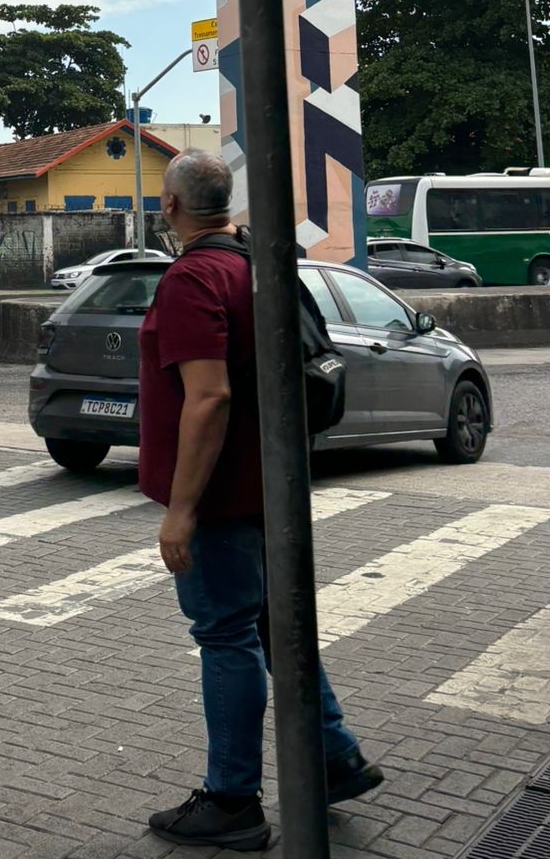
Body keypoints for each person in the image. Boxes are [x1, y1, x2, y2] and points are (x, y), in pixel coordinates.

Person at [139, 151, 383, 852]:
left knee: (227, 637)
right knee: (278, 627)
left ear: (175, 206)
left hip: (219, 498)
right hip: (270, 488)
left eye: (164, 198)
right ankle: (332, 759)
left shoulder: (193, 278)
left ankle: (232, 799)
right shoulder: (252, 266)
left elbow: (208, 396)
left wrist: (180, 509)